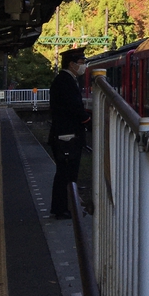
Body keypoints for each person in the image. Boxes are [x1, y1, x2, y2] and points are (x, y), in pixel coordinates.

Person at [48, 47, 90, 219]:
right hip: (67, 136)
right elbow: (74, 107)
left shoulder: (65, 79)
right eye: (81, 63)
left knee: (65, 173)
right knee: (67, 174)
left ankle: (63, 207)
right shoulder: (65, 81)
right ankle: (62, 209)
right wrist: (88, 121)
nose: (84, 66)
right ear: (72, 64)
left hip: (65, 134)